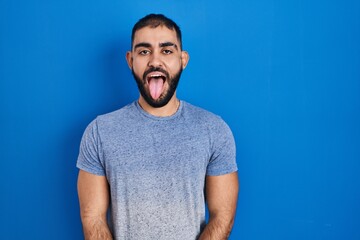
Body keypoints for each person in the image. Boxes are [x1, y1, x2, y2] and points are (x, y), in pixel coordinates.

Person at [77, 13, 239, 240]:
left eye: (166, 50)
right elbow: (92, 216)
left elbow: (223, 216)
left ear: (183, 60)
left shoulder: (213, 129)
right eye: (144, 51)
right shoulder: (99, 132)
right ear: (130, 60)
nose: (154, 61)